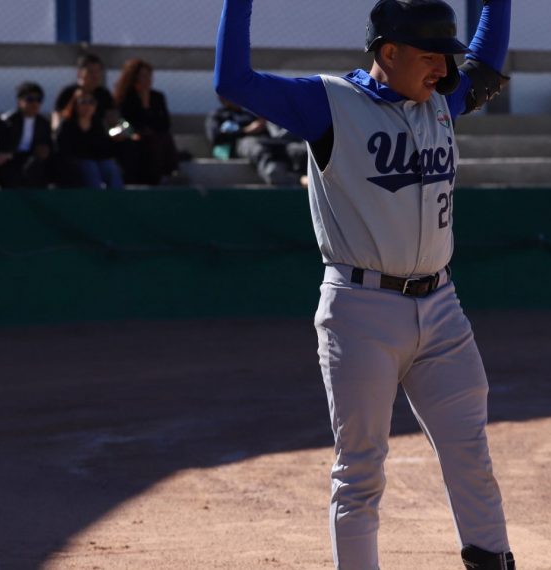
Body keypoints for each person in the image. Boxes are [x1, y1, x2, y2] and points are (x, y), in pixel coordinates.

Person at [215, 0, 514, 568]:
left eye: (446, 56)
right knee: (360, 472)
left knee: (471, 455)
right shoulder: (328, 103)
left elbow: (486, 61)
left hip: (442, 307)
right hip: (360, 310)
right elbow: (233, 81)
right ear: (389, 51)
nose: (444, 68)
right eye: (430, 55)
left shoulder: (441, 100)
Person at [204, 97, 304, 186]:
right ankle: (286, 177)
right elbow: (215, 137)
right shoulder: (217, 115)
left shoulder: (249, 114)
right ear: (222, 99)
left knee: (296, 148)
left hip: (267, 141)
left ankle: (306, 175)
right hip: (242, 143)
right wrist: (247, 130)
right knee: (258, 149)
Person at [113, 58, 183, 185]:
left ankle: (169, 174)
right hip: (132, 137)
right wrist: (137, 130)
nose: (147, 80)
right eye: (143, 76)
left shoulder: (157, 97)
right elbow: (125, 121)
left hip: (153, 136)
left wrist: (146, 106)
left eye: (149, 76)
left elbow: (164, 124)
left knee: (160, 138)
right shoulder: (126, 98)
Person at [55, 87, 124, 189]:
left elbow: (103, 149)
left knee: (110, 167)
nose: (87, 106)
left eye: (91, 102)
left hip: (96, 162)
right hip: (75, 163)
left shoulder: (98, 124)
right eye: (83, 102)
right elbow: (64, 150)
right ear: (75, 105)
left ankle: (117, 197)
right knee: (90, 167)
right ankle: (95, 198)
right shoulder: (67, 125)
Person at [0, 81, 54, 188]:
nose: (35, 104)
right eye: (30, 99)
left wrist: (45, 151)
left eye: (38, 100)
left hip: (33, 160)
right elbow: (1, 146)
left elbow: (48, 146)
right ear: (20, 101)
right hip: (12, 159)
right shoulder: (9, 121)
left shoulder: (44, 123)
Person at [52, 53, 118, 133]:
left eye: (98, 71)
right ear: (80, 72)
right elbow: (57, 119)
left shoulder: (104, 94)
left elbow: (113, 119)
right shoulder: (68, 93)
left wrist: (115, 132)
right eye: (91, 71)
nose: (95, 75)